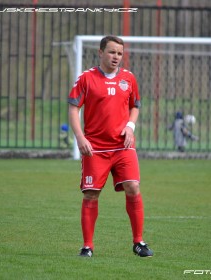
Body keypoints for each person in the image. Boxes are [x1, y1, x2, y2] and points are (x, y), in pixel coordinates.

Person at [68, 35, 153, 258]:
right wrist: (80, 138)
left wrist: (131, 126)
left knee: (133, 187)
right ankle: (87, 246)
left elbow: (136, 106)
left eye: (119, 53)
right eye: (112, 52)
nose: (116, 57)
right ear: (100, 52)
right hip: (95, 148)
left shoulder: (129, 78)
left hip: (123, 146)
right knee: (91, 194)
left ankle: (138, 242)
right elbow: (73, 109)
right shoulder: (86, 78)